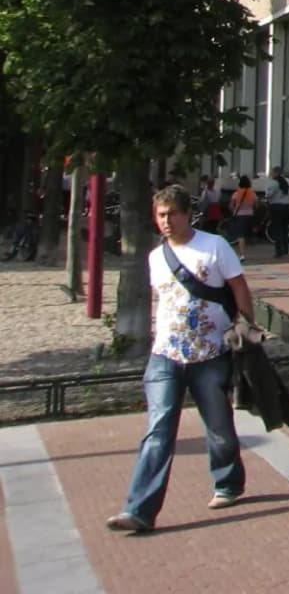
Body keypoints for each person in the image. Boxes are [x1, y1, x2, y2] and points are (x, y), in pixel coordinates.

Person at [106, 184, 255, 533]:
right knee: (158, 431)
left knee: (218, 426)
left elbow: (238, 286)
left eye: (173, 213)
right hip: (165, 356)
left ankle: (228, 482)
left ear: (188, 214)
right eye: (161, 215)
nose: (166, 221)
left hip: (210, 353)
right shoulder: (155, 257)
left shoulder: (214, 247)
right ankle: (139, 509)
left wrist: (245, 326)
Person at [264, 166, 289, 259]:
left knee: (277, 229)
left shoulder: (272, 183)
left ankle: (278, 251)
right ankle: (286, 249)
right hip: (288, 207)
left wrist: (266, 200)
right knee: (285, 228)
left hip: (276, 207)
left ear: (274, 173)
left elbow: (269, 195)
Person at [227, 175, 256, 258]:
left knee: (241, 235)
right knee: (247, 233)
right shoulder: (252, 193)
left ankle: (242, 254)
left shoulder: (236, 194)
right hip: (250, 215)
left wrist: (234, 211)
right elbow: (256, 205)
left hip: (240, 215)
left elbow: (231, 206)